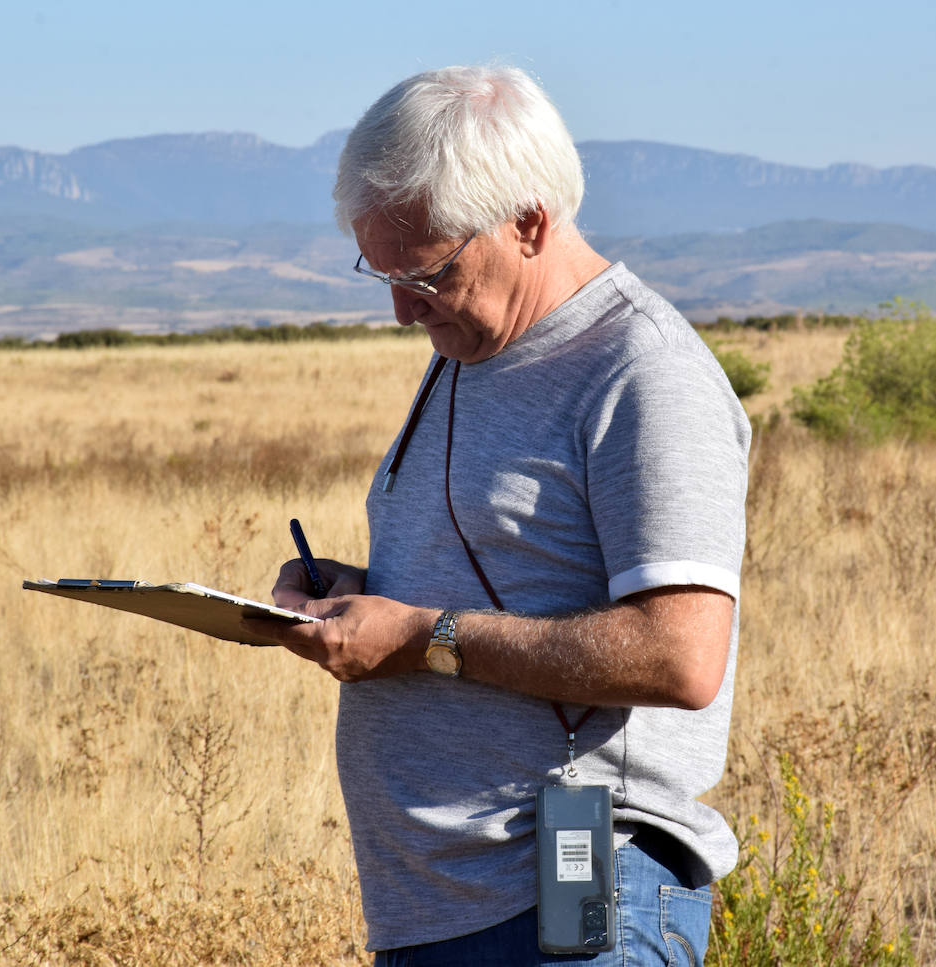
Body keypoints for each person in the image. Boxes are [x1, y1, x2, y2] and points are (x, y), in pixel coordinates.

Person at [242, 64, 750, 965]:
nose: (401, 309)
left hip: (579, 886)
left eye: (427, 272)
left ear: (529, 221)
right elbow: (504, 574)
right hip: (438, 908)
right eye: (381, 272)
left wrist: (420, 635)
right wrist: (359, 599)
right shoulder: (470, 348)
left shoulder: (644, 373)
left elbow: (683, 652)